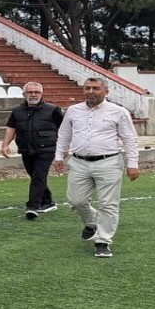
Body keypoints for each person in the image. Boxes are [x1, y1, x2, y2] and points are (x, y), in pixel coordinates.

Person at [52, 77, 140, 258]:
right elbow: (64, 135)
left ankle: (103, 241)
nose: (91, 92)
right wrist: (58, 156)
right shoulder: (73, 110)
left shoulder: (119, 112)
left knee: (108, 203)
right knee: (76, 201)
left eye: (95, 88)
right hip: (78, 162)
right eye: (87, 88)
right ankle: (92, 223)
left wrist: (132, 164)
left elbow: (130, 139)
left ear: (106, 92)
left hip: (109, 162)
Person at [0, 82, 65, 219]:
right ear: (24, 94)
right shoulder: (17, 111)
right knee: (35, 176)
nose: (33, 95)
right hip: (26, 149)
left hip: (47, 149)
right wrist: (5, 145)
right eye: (30, 92)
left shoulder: (53, 110)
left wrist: (65, 148)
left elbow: (64, 129)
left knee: (38, 176)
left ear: (42, 94)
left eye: (36, 92)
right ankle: (48, 202)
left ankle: (32, 206)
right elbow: (11, 128)